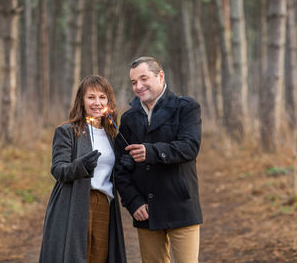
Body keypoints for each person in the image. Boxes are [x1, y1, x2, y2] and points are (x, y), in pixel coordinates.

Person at [115, 56, 203, 263]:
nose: (138, 86)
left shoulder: (186, 107)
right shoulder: (128, 118)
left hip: (181, 206)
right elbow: (121, 166)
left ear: (160, 76)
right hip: (146, 212)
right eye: (134, 82)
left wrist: (151, 152)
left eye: (143, 79)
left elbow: (190, 147)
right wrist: (133, 202)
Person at [39, 75, 127, 263]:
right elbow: (58, 169)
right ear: (81, 100)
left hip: (104, 204)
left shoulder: (113, 134)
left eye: (102, 97)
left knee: (99, 258)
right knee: (74, 258)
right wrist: (80, 166)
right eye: (91, 97)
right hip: (73, 203)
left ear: (108, 101)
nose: (97, 102)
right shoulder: (67, 131)